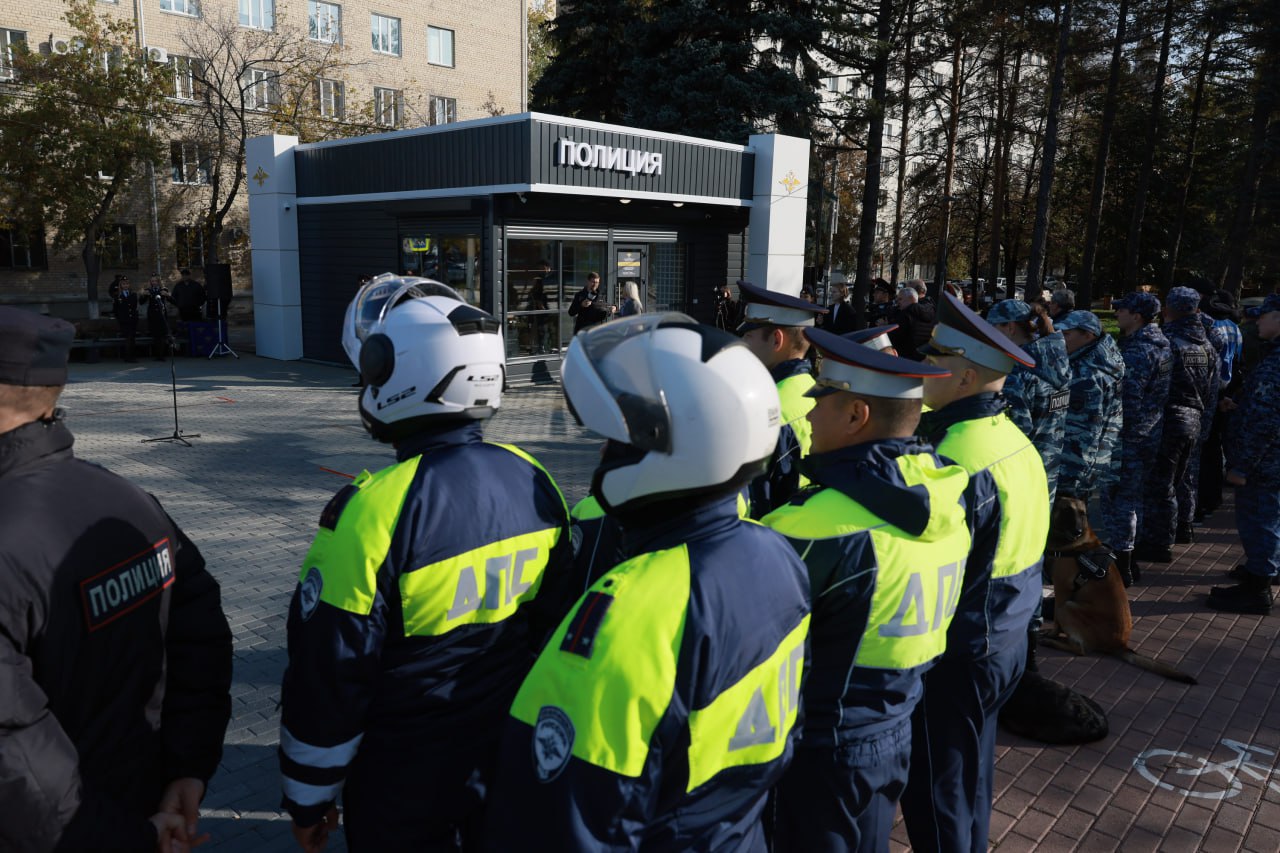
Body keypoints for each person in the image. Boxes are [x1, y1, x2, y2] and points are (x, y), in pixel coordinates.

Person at [485, 313, 811, 850]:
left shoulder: (632, 610)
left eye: (620, 442)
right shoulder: (776, 551)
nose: (602, 453)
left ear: (673, 454)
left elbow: (562, 820)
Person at [279, 278, 574, 852]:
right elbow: (549, 630)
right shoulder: (533, 478)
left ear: (400, 373)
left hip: (403, 778)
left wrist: (309, 795)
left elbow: (330, 676)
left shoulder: (373, 513)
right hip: (503, 760)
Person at [0, 307, 233, 853]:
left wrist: (115, 838)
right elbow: (201, 641)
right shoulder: (127, 500)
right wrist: (188, 767)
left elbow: (10, 745)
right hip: (137, 805)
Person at [764, 329, 969, 851]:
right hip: (895, 724)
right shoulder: (945, 495)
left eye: (821, 401)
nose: (808, 415)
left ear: (856, 416)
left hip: (820, 743)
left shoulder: (810, 527)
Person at [900, 293, 1055, 852]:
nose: (921, 366)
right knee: (967, 779)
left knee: (937, 791)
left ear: (964, 376)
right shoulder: (1013, 441)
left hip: (962, 650)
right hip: (1004, 639)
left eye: (934, 357)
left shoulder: (952, 457)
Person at [1208, 294, 1280, 614]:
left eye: (1263, 316)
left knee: (1260, 520)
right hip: (1268, 459)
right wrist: (1239, 407)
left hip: (1265, 463)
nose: (1256, 322)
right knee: (1267, 519)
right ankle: (1256, 576)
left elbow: (1265, 423)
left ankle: (1258, 589)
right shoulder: (1272, 357)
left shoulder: (1275, 365)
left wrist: (1242, 466)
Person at [1135, 286, 1218, 563]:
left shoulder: (1168, 341)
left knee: (1161, 484)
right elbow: (1213, 389)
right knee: (1185, 478)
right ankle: (1184, 526)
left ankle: (1159, 542)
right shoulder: (1206, 344)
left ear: (1169, 309)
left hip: (1170, 419)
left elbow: (1158, 385)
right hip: (1195, 417)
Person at [735, 281, 827, 517]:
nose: (743, 345)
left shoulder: (762, 411)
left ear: (777, 340)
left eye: (749, 335)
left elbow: (741, 506)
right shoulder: (821, 395)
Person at [1100, 291, 1172, 586]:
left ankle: (1122, 563)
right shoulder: (1161, 346)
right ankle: (1131, 555)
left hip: (1129, 437)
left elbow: (1126, 402)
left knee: (1119, 500)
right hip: (1149, 432)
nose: (1117, 313)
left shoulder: (1137, 352)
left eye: (1123, 310)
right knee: (1133, 498)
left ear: (1137, 316)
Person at [988, 298, 1070, 500]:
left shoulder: (1017, 374)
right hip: (1048, 471)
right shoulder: (1056, 361)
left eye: (992, 327)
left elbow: (1012, 433)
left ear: (1010, 327)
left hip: (1018, 478)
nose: (988, 334)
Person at [1056, 311, 1125, 505]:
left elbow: (1083, 431)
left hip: (1073, 469)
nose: (1061, 339)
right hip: (1092, 463)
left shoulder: (1087, 375)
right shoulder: (1103, 360)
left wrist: (1071, 476)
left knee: (1066, 527)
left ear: (1088, 335)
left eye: (1067, 334)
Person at [1196, 289, 1244, 521]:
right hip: (1227, 389)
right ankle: (1213, 496)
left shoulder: (1211, 327)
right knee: (1216, 447)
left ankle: (1205, 499)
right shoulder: (1235, 329)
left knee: (1205, 449)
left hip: (1210, 391)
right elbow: (1237, 361)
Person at [886, 286, 937, 361]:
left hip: (906, 358)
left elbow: (894, 337)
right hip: (924, 357)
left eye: (900, 299)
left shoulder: (906, 314)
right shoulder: (930, 313)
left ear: (912, 298)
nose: (898, 302)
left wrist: (886, 327)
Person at [140, 275, 173, 361]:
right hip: (152, 316)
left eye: (155, 281)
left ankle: (162, 355)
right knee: (155, 336)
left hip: (161, 315)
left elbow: (173, 301)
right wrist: (143, 295)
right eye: (152, 281)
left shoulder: (163, 290)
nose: (153, 283)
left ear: (158, 282)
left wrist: (168, 295)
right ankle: (157, 355)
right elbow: (141, 302)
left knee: (162, 336)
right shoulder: (148, 290)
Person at [111, 274, 140, 362]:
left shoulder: (133, 294)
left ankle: (133, 356)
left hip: (132, 320)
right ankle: (128, 357)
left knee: (132, 338)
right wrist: (119, 318)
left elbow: (134, 307)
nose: (125, 285)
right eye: (123, 284)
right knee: (128, 338)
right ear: (121, 285)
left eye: (127, 284)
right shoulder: (117, 296)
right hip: (124, 321)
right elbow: (115, 309)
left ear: (129, 285)